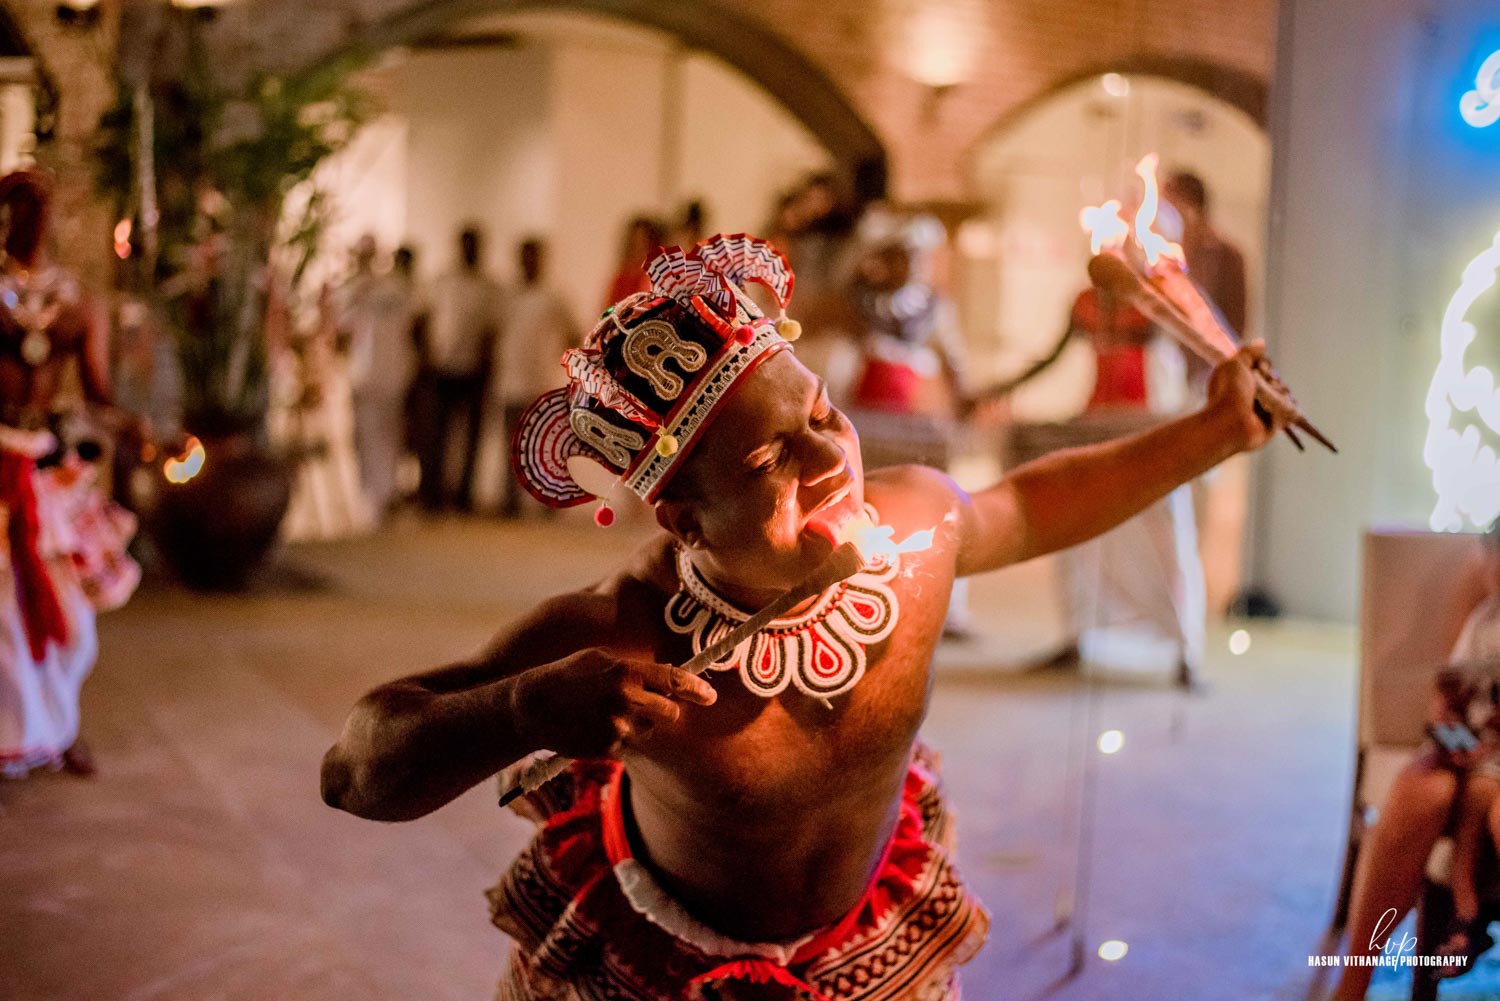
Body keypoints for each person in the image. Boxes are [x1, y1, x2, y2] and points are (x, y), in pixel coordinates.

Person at [322, 233, 1288, 999]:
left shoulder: (917, 526)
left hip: (870, 948)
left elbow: (1031, 506)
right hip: (652, 968)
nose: (830, 462)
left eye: (822, 415)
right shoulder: (620, 633)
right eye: (767, 460)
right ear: (683, 519)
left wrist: (1213, 431)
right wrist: (522, 709)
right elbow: (353, 769)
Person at [0, 170, 141, 779]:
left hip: (44, 475)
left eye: (42, 209)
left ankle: (57, 730)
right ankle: (15, 739)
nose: (32, 221)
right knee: (4, 620)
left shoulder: (78, 303)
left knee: (71, 622)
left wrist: (139, 430)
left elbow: (98, 394)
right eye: (19, 207)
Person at [1334, 525, 1500, 999]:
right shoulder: (1485, 607)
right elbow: (1455, 673)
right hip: (1478, 738)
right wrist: (1449, 716)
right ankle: (1351, 985)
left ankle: (1466, 913)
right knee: (1423, 791)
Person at [414, 226, 503, 513]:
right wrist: (425, 359)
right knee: (435, 434)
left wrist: (486, 367)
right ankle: (432, 494)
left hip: (473, 372)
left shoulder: (489, 289)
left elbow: (492, 332)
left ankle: (463, 496)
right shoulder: (441, 282)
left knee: (470, 439)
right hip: (440, 368)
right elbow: (421, 320)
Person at [337, 237, 422, 518]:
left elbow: (416, 326)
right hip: (367, 376)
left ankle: (384, 494)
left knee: (388, 435)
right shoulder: (357, 289)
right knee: (369, 437)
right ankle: (375, 494)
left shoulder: (395, 288)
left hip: (392, 375)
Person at [496, 237, 579, 518]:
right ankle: (511, 503)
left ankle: (547, 503)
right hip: (510, 382)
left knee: (546, 446)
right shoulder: (506, 296)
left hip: (542, 381)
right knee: (512, 446)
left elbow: (574, 334)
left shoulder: (554, 297)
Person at [1164, 171, 1248, 389]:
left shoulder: (1225, 256)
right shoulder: (1171, 255)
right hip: (1174, 373)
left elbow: (1235, 324)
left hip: (1209, 374)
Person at [603, 216, 666, 309]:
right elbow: (609, 310)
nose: (638, 250)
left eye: (644, 244)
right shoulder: (621, 279)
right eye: (635, 244)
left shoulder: (658, 278)